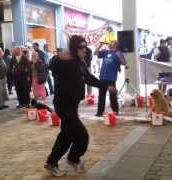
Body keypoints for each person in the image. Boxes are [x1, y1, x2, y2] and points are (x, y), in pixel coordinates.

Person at [45, 35, 108, 177]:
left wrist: (104, 86)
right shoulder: (63, 62)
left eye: (85, 46)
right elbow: (51, 65)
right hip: (63, 105)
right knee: (82, 136)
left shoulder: (80, 62)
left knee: (66, 136)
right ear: (74, 48)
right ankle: (73, 159)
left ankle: (51, 162)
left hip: (73, 105)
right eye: (81, 47)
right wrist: (57, 57)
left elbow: (88, 77)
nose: (84, 50)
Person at [95, 41, 126, 117]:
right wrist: (100, 45)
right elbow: (95, 53)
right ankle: (99, 113)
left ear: (116, 45)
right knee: (101, 96)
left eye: (112, 43)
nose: (110, 44)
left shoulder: (119, 53)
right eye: (110, 43)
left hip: (111, 78)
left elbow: (124, 63)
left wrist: (118, 56)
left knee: (112, 96)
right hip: (102, 77)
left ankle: (115, 111)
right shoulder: (106, 52)